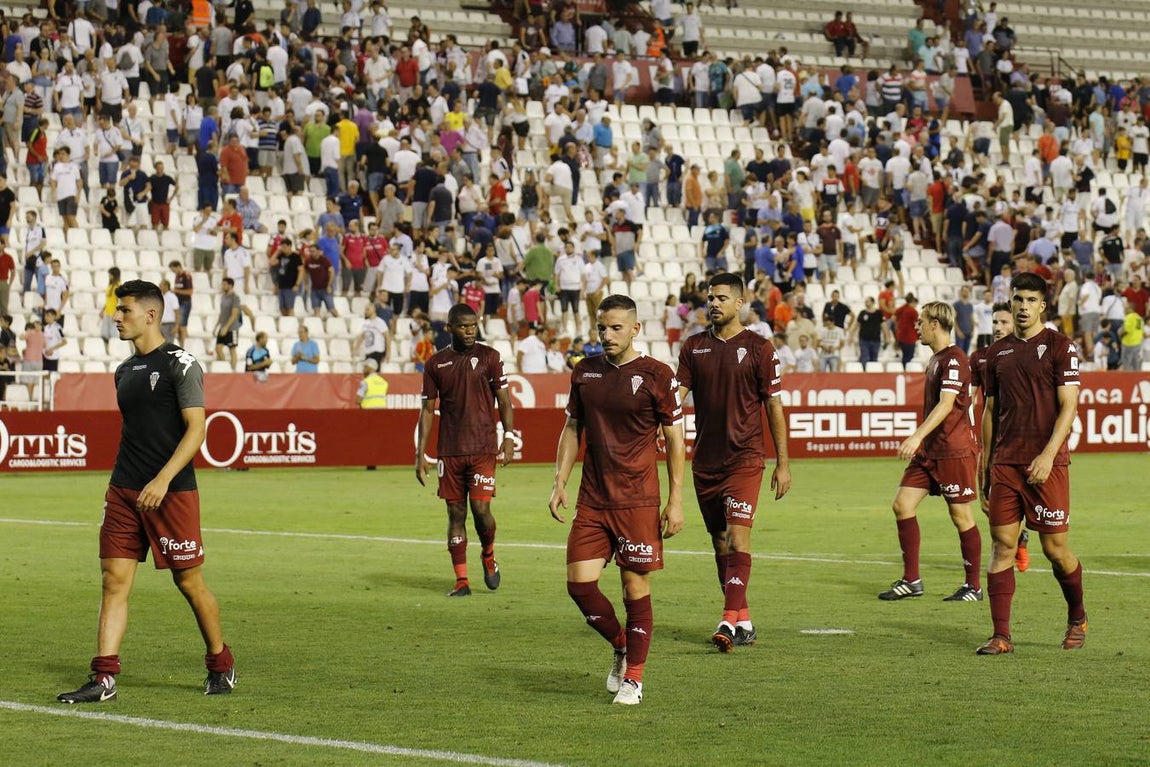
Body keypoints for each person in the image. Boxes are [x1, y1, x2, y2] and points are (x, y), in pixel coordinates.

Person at [57, 280, 235, 703]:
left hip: (171, 493)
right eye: (117, 311)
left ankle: (221, 663)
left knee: (188, 582)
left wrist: (162, 479)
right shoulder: (124, 370)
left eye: (125, 310)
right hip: (123, 491)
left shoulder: (181, 363)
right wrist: (131, 481)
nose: (116, 317)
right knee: (113, 581)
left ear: (150, 315)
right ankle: (103, 679)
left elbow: (197, 430)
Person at [549, 293, 685, 705]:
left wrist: (676, 498)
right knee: (579, 585)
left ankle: (635, 679)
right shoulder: (584, 372)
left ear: (635, 329)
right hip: (593, 500)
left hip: (639, 500)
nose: (607, 335)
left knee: (633, 586)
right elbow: (573, 429)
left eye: (615, 328)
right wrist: (560, 481)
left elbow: (676, 439)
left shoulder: (657, 375)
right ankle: (622, 646)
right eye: (601, 328)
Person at [676, 273, 790, 651]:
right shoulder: (693, 347)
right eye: (710, 298)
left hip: (745, 459)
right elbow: (676, 398)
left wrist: (783, 463)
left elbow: (773, 405)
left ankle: (726, 620)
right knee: (719, 542)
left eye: (722, 298)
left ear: (740, 303)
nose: (714, 304)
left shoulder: (760, 348)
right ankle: (744, 620)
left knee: (738, 536)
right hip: (704, 461)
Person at [977, 272, 1085, 655]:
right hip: (1006, 463)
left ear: (1043, 306)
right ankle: (1001, 635)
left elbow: (1069, 406)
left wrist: (1049, 453)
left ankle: (1077, 617)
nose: (1022, 307)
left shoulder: (1060, 347)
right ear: (1010, 302)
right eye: (1017, 299)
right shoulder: (997, 353)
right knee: (1003, 546)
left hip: (1047, 464)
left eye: (1030, 300)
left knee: (1055, 549)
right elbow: (990, 410)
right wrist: (984, 463)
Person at [879, 302, 983, 603]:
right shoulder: (937, 359)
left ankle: (973, 586)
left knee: (961, 515)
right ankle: (912, 580)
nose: (917, 327)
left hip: (953, 450)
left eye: (921, 322)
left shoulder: (955, 359)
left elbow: (947, 404)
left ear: (935, 324)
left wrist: (916, 435)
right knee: (902, 504)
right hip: (931, 451)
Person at [416, 303, 516, 597]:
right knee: (455, 513)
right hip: (450, 450)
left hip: (483, 447)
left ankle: (488, 553)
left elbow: (505, 401)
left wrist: (508, 436)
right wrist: (419, 453)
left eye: (473, 326)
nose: (470, 331)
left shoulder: (490, 357)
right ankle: (462, 581)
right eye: (463, 326)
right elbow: (426, 411)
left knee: (481, 509)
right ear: (449, 328)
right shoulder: (435, 364)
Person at [970, 301, 1029, 572]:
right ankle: (1017, 537)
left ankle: (1017, 537)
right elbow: (975, 400)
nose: (997, 327)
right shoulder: (982, 357)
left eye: (1003, 322)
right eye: (995, 322)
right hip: (994, 440)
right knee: (987, 502)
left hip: (1024, 443)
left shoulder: (1029, 354)